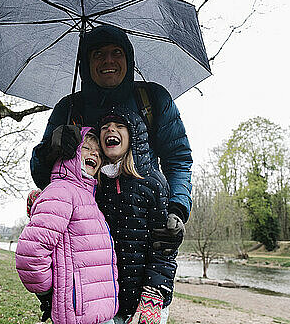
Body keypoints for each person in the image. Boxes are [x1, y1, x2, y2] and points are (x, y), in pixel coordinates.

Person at [30, 24, 192, 254]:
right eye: (98, 54)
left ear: (129, 58)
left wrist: (177, 210)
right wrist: (49, 150)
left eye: (117, 52)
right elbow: (42, 176)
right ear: (85, 65)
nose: (108, 61)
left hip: (142, 235)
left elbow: (178, 159)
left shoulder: (153, 99)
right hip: (81, 240)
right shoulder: (68, 109)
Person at [15, 129, 122, 324]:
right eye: (86, 148)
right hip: (78, 319)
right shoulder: (62, 191)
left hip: (99, 317)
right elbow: (31, 252)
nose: (94, 154)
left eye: (98, 152)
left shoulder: (88, 197)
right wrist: (48, 291)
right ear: (71, 153)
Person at [96, 106, 177, 324]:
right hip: (106, 304)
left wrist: (155, 291)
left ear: (134, 136)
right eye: (104, 127)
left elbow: (164, 247)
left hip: (145, 302)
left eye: (120, 126)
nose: (111, 130)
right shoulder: (93, 185)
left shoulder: (153, 182)